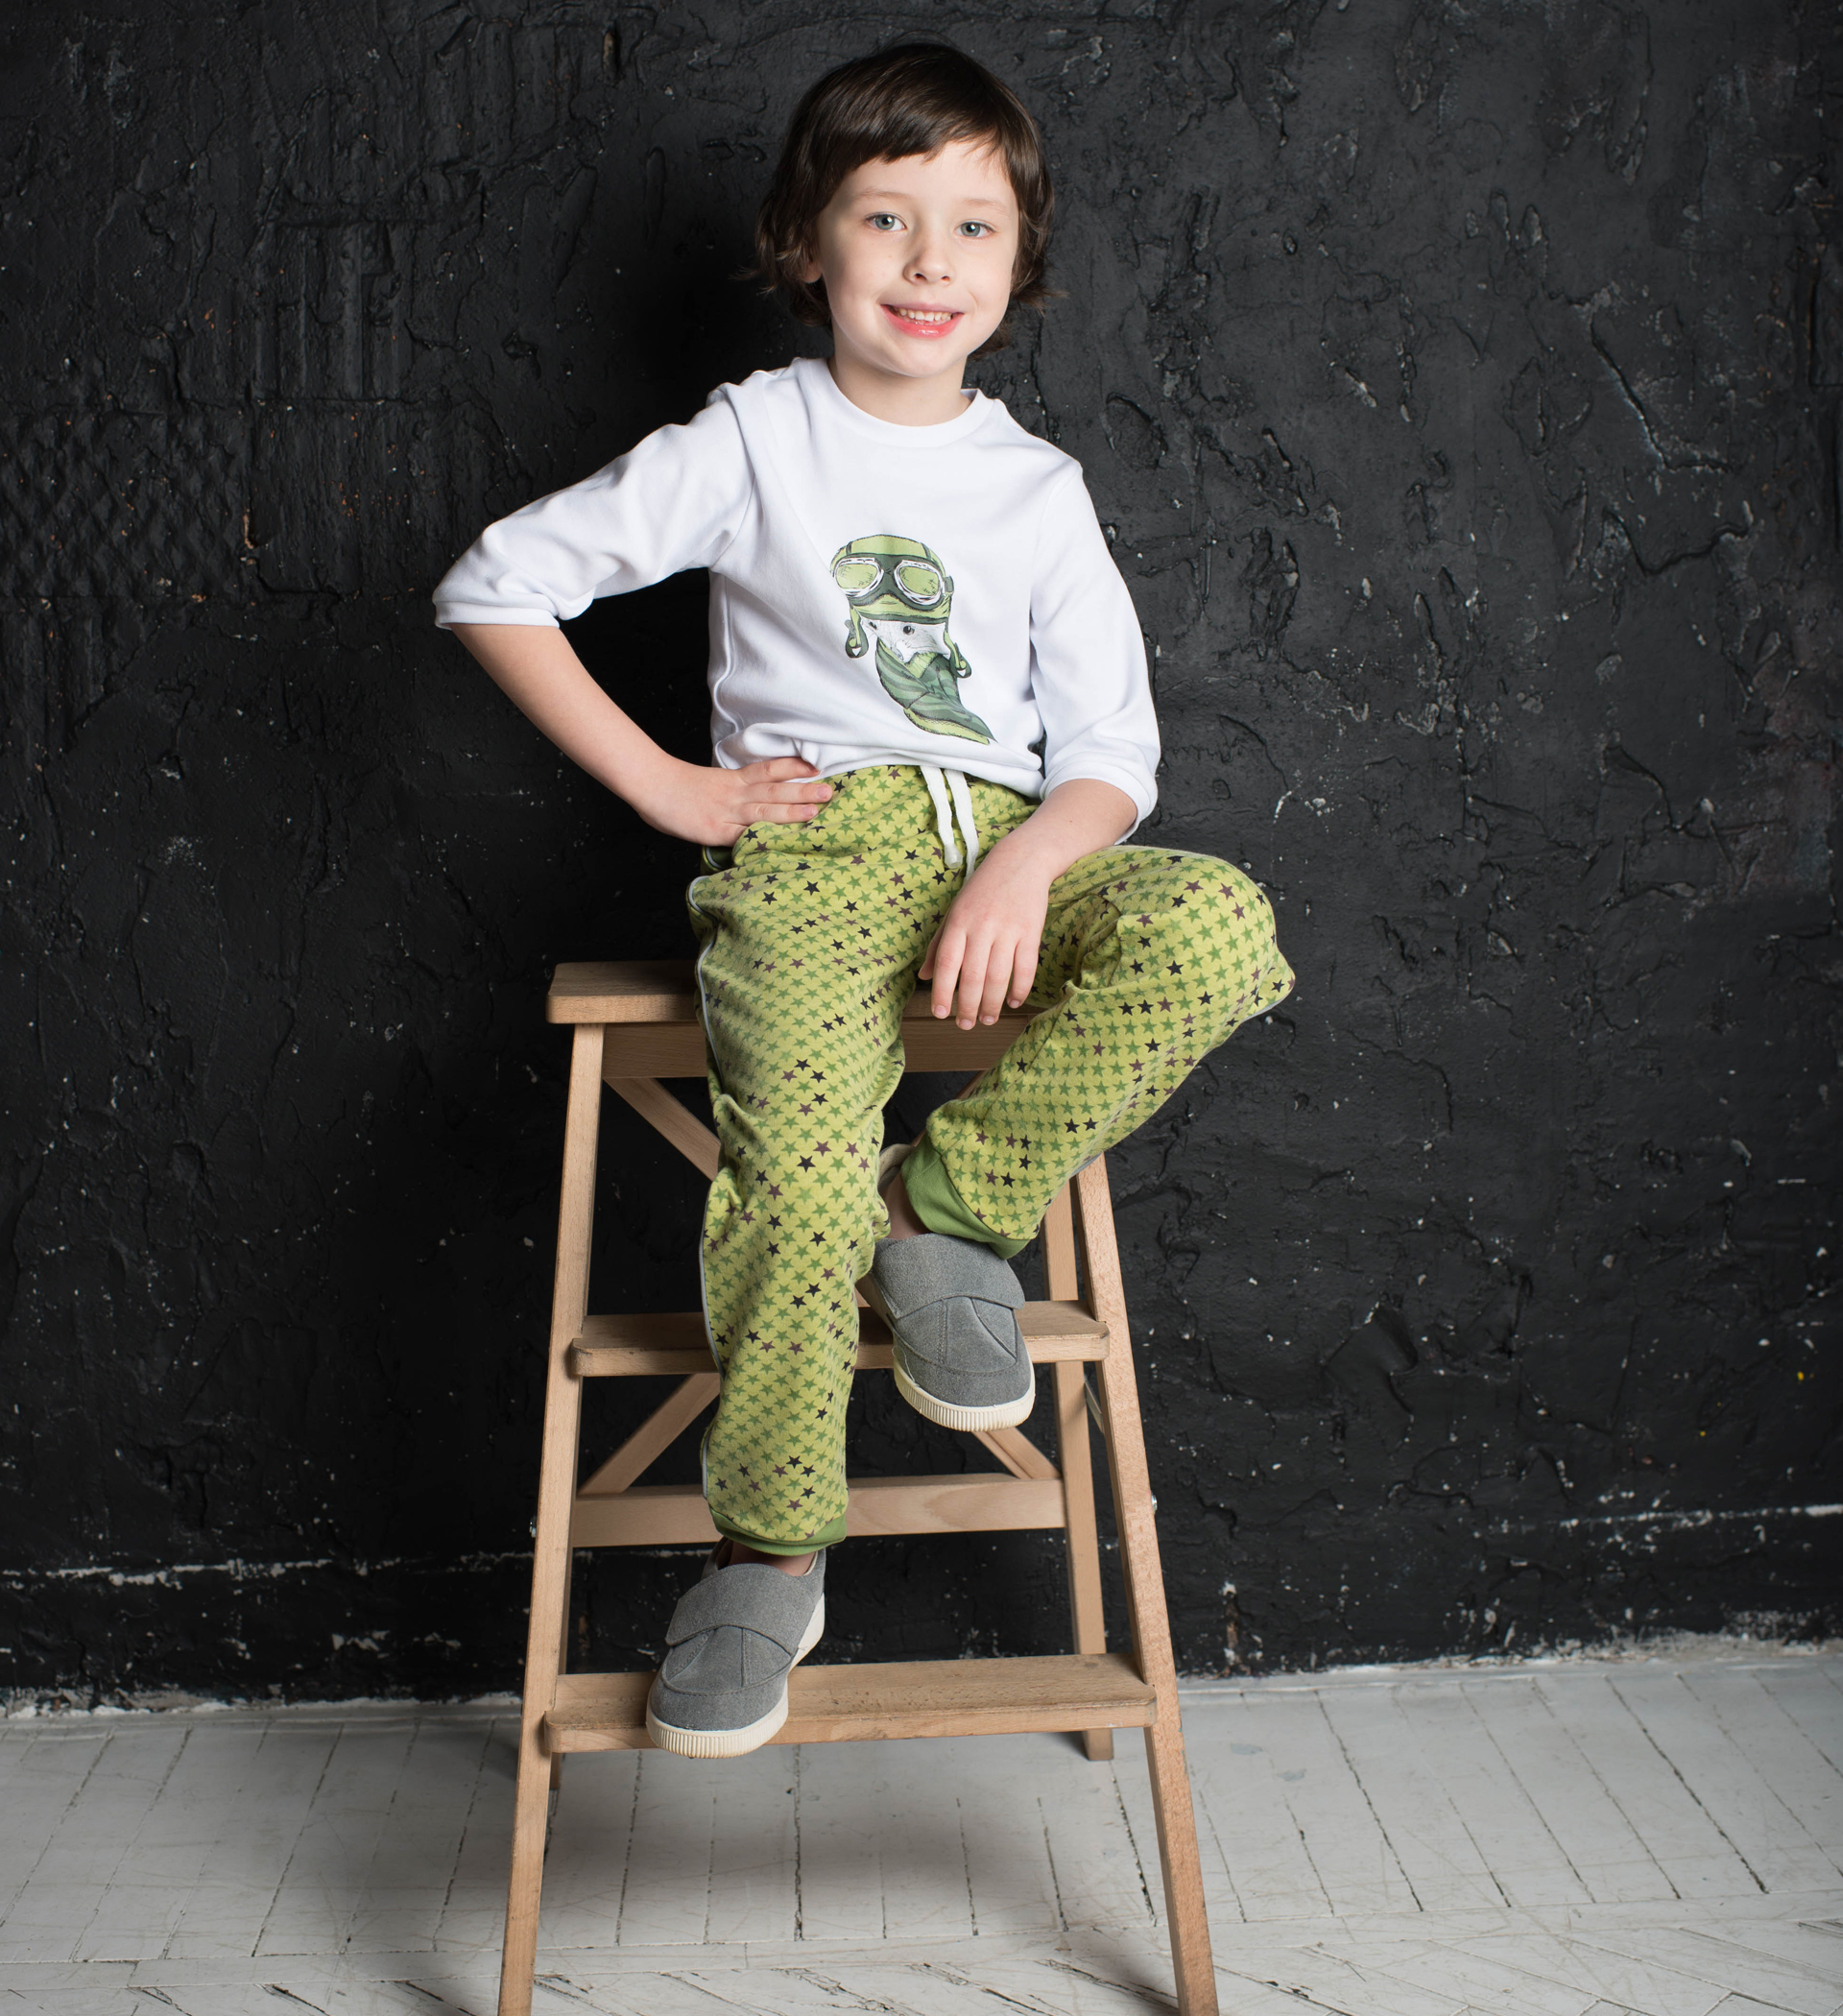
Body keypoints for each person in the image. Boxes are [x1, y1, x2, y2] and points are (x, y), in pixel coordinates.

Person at [435, 41, 1294, 1759]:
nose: (927, 261)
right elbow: (497, 584)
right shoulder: (759, 437)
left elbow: (1112, 754)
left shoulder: (1036, 488)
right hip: (817, 856)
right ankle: (768, 1551)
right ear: (808, 239)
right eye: (886, 217)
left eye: (972, 226)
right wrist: (675, 788)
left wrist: (1029, 866)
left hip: (1015, 844)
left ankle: (950, 1207)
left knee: (1218, 926)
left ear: (1018, 263)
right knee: (799, 1183)